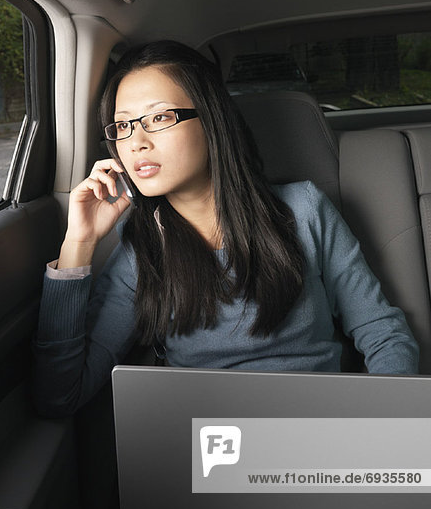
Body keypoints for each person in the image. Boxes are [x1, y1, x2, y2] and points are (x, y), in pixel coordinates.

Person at [33, 40, 419, 418]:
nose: (137, 142)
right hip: (210, 456)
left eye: (159, 117)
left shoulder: (304, 209)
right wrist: (79, 242)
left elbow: (381, 330)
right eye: (122, 126)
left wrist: (381, 430)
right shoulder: (142, 249)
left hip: (316, 436)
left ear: (211, 118)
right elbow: (60, 396)